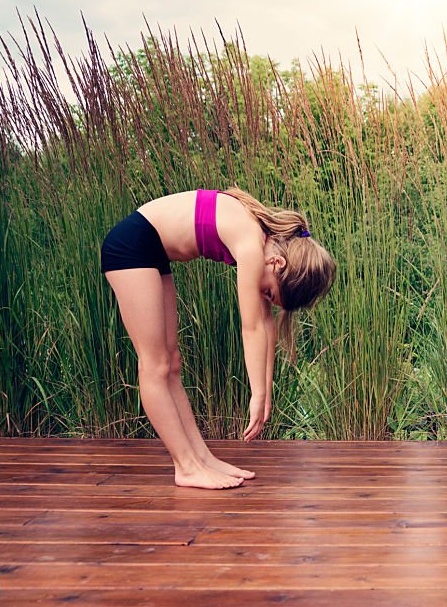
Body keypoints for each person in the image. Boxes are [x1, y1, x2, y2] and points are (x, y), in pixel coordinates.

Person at [101, 188, 335, 489]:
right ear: (278, 264)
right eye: (270, 293)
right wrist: (257, 394)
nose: (265, 298)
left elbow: (265, 323)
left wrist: (265, 392)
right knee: (155, 365)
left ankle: (202, 458)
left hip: (151, 250)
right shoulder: (252, 245)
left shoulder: (264, 246)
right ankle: (185, 466)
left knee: (171, 362)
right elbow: (250, 328)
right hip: (130, 247)